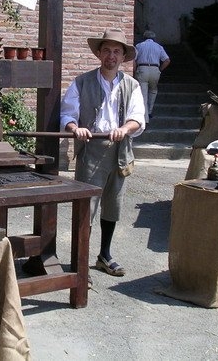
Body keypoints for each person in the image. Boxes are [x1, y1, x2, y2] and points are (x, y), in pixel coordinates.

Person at [60, 29, 146, 280]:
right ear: (99, 53)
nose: (111, 56)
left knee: (113, 206)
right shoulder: (82, 82)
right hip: (91, 150)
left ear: (123, 57)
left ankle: (104, 256)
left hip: (120, 151)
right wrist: (75, 128)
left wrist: (124, 129)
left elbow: (137, 117)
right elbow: (67, 114)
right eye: (107, 50)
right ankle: (80, 262)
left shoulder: (132, 85)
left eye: (117, 51)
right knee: (86, 208)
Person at [134, 30, 170, 122]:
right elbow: (167, 60)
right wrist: (160, 70)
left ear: (144, 38)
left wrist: (134, 71)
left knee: (143, 94)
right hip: (155, 69)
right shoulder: (159, 47)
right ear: (154, 38)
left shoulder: (139, 46)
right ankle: (149, 112)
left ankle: (144, 118)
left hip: (142, 68)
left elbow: (133, 60)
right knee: (153, 91)